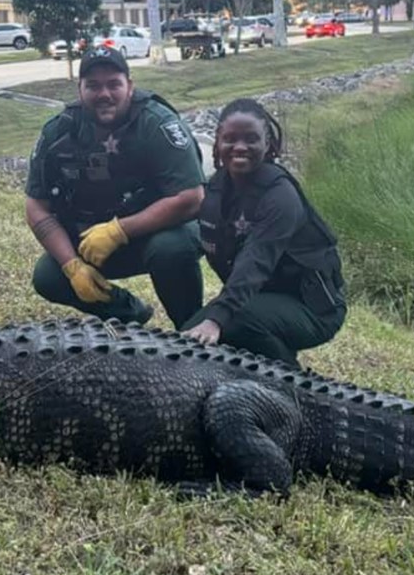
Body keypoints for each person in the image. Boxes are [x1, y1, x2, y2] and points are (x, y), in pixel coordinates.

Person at [25, 45, 205, 328]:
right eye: (93, 86)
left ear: (130, 87)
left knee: (171, 248)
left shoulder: (156, 122)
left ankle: (192, 328)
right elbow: (36, 205)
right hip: (93, 239)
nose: (104, 94)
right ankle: (129, 313)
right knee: (49, 275)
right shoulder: (59, 131)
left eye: (113, 84)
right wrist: (72, 266)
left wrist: (120, 230)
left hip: (160, 231)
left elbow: (192, 198)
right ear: (80, 89)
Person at [181, 99, 347, 366]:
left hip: (313, 308)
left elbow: (256, 260)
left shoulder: (280, 196)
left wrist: (217, 318)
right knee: (190, 332)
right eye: (230, 139)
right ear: (217, 142)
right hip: (260, 299)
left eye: (251, 139)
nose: (239, 147)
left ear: (267, 143)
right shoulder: (218, 187)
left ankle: (294, 386)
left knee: (235, 322)